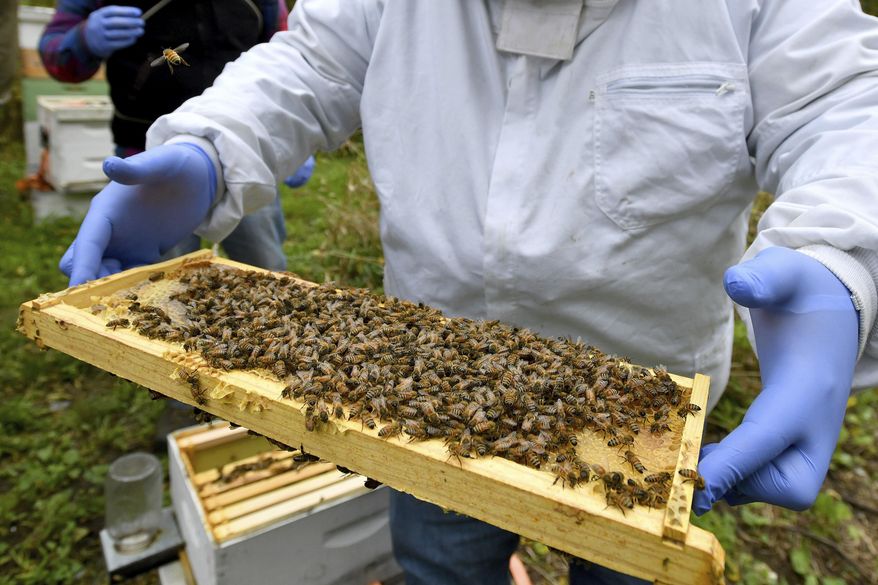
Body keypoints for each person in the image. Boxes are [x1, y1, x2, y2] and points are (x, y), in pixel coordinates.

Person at [59, 1, 878, 583]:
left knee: (631, 572)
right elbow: (307, 63)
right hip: (413, 401)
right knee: (443, 563)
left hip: (637, 407)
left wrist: (839, 259)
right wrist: (211, 146)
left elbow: (842, 107)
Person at [38, 0, 315, 271]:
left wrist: (290, 128)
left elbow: (286, 56)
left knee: (265, 267)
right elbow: (55, 53)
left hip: (249, 152)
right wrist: (82, 40)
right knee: (162, 280)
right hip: (148, 159)